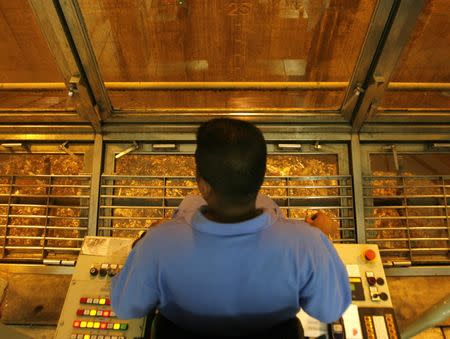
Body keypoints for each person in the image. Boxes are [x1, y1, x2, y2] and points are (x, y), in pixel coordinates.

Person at [110, 118, 351, 338]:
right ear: (262, 177)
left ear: (203, 185)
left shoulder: (158, 244)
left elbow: (126, 306)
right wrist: (323, 238)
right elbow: (330, 309)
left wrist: (145, 240)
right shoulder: (307, 244)